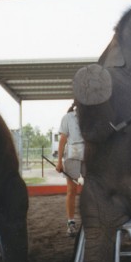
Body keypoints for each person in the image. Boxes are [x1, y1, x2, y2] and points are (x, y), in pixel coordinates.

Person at [56, 102, 85, 237]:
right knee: (71, 190)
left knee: (91, 189)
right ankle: (71, 222)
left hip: (89, 156)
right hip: (72, 156)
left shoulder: (92, 114)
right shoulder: (68, 117)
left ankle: (91, 221)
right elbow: (62, 140)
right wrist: (59, 162)